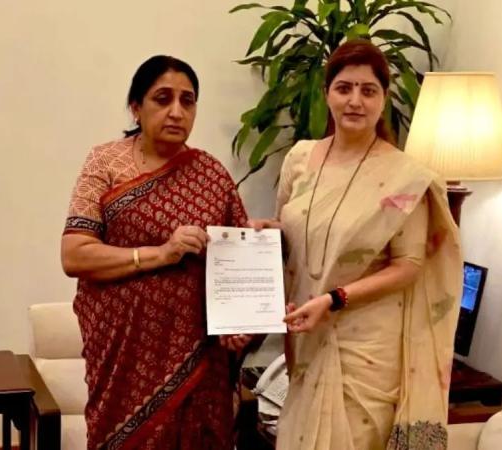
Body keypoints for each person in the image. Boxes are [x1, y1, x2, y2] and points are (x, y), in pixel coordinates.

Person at [252, 39, 463, 449]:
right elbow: (295, 231)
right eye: (344, 88)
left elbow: (409, 264)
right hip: (306, 334)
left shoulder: (404, 178)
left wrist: (335, 299)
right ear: (326, 92)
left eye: (368, 90)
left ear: (383, 99)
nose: (355, 101)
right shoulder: (300, 158)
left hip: (365, 349)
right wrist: (267, 231)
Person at [61, 55, 251, 450]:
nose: (177, 111)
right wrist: (162, 253)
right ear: (136, 106)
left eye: (187, 101)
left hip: (199, 364)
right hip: (123, 358)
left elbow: (239, 262)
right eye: (163, 99)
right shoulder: (105, 163)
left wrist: (242, 324)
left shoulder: (211, 174)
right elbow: (75, 254)